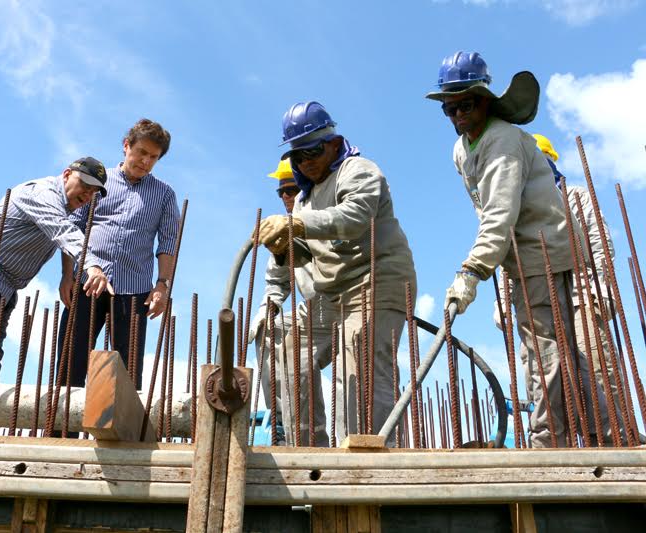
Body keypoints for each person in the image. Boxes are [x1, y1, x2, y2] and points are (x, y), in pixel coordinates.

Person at [426, 51, 607, 447]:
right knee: (546, 349)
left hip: (546, 250)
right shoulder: (462, 150)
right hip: (520, 257)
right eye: (449, 108)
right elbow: (486, 212)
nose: (457, 115)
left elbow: (500, 212)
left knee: (552, 350)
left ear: (485, 100)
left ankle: (554, 440)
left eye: (465, 105)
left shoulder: (504, 140)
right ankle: (566, 434)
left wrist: (472, 270)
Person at [258, 101, 417, 444]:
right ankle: (307, 447)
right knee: (288, 349)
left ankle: (372, 462)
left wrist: (295, 224)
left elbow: (353, 218)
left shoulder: (358, 170)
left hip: (375, 281)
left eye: (312, 152)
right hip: (331, 296)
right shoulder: (304, 199)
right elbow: (307, 253)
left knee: (356, 368)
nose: (305, 162)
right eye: (297, 157)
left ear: (333, 142)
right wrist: (283, 247)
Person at [0, 157, 112, 383]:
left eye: (93, 192)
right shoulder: (43, 193)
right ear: (66, 174)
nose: (87, 195)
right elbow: (63, 230)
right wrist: (92, 265)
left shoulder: (63, 207)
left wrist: (66, 275)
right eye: (84, 186)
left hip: (2, 282)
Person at [58, 119, 179, 390]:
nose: (146, 161)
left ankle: (117, 434)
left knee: (126, 379)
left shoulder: (165, 195)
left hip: (134, 292)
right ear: (126, 146)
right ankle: (62, 433)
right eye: (141, 153)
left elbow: (169, 242)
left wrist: (163, 285)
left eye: (153, 157)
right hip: (87, 283)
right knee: (69, 369)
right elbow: (72, 228)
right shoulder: (98, 183)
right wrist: (67, 276)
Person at [532, 133, 623, 437]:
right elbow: (511, 264)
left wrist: (601, 288)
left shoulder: (575, 196)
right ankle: (563, 445)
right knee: (547, 378)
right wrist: (504, 306)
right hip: (542, 301)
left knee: (596, 369)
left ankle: (614, 439)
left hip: (582, 296)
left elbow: (600, 245)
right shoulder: (522, 204)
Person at [249, 159, 329, 446]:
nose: (286, 197)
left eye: (292, 189)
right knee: (271, 329)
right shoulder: (282, 229)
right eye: (281, 192)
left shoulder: (325, 212)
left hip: (351, 304)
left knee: (357, 382)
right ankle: (285, 425)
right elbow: (276, 281)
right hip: (314, 310)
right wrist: (266, 310)